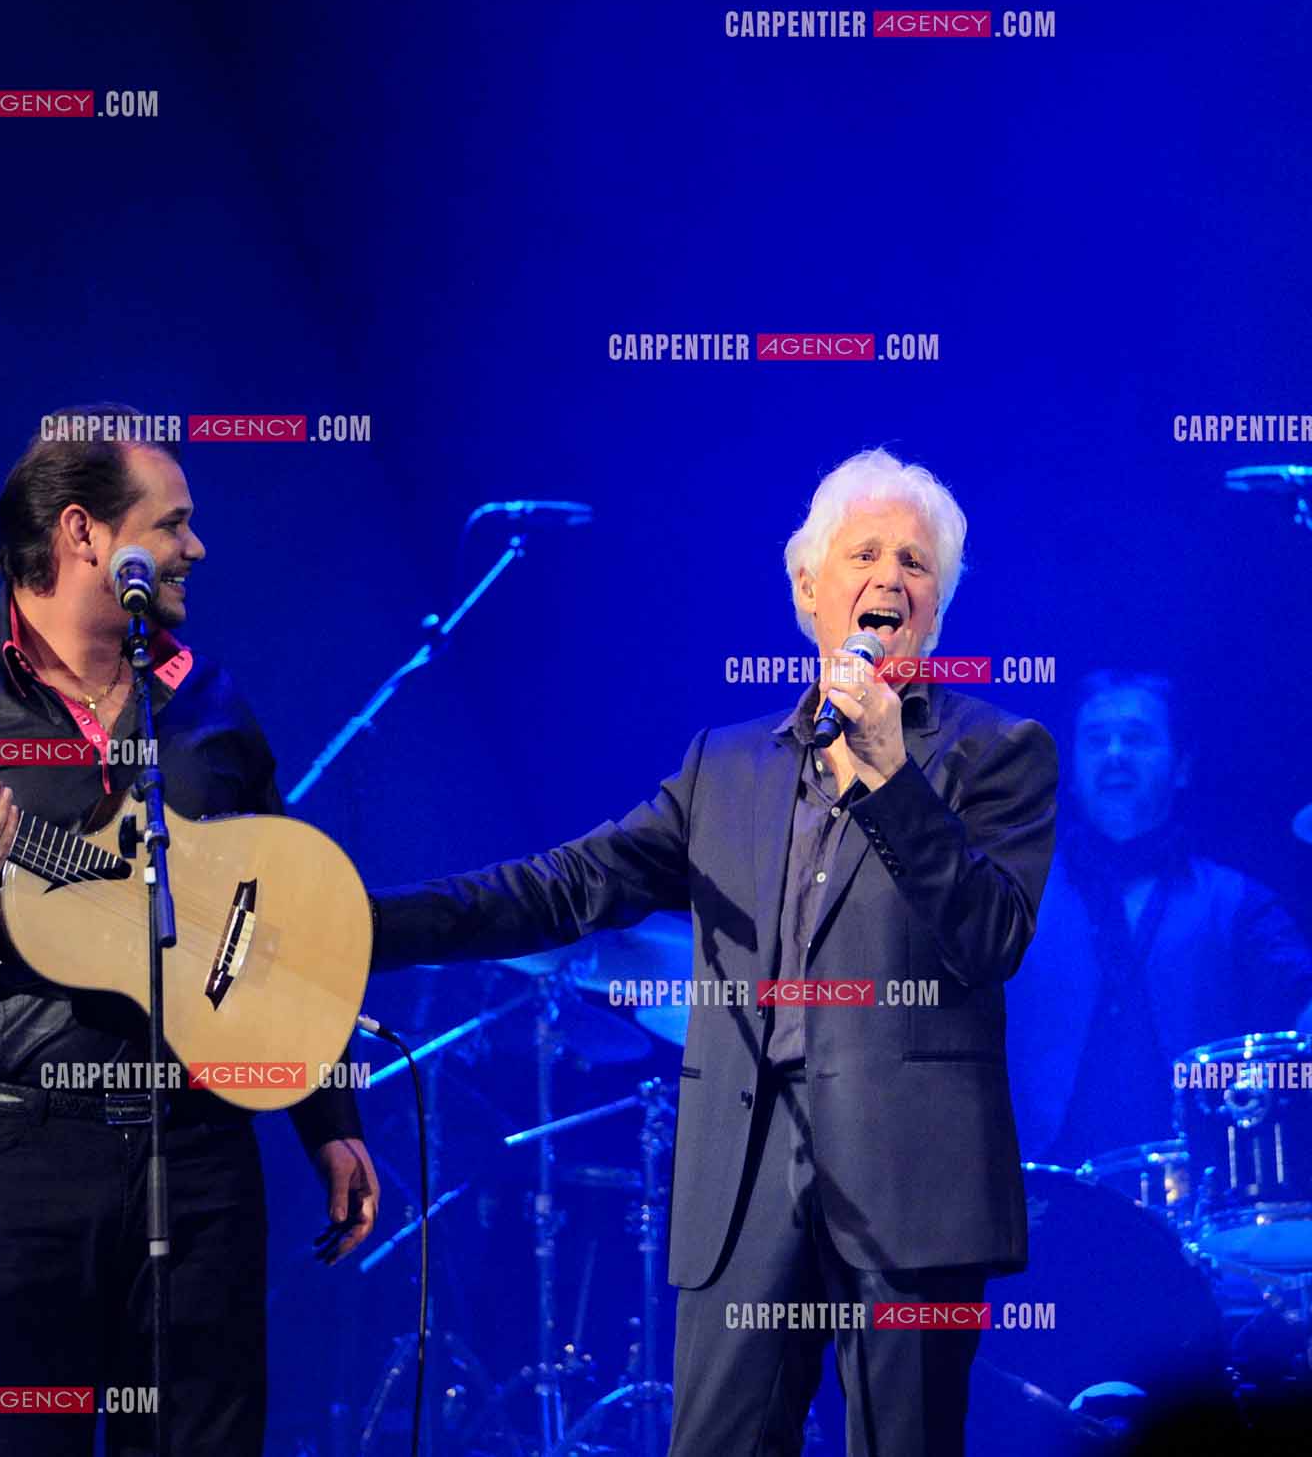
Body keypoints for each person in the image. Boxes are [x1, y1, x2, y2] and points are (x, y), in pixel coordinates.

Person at [368, 449, 1058, 1457]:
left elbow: (993, 939)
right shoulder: (722, 766)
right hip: (740, 1190)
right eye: (864, 552)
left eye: (916, 564)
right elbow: (563, 887)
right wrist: (365, 925)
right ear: (806, 588)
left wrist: (894, 780)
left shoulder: (998, 751)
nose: (890, 577)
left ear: (939, 609)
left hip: (914, 1192)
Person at [0, 406, 379, 1456]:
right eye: (173, 524)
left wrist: (326, 1112)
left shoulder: (206, 702)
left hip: (200, 1159)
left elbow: (278, 922)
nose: (196, 547)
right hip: (11, 1165)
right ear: (82, 537)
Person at [1008, 669, 1312, 1166]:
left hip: (1200, 1189)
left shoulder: (1239, 904)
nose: (1115, 755)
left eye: (1138, 737)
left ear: (1182, 767)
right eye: (1095, 740)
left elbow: (1303, 1042)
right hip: (1043, 1187)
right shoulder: (1015, 893)